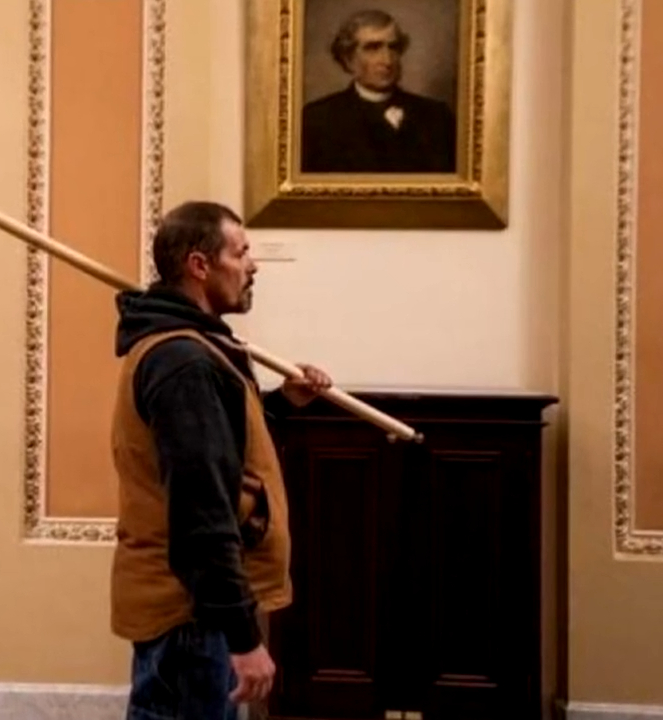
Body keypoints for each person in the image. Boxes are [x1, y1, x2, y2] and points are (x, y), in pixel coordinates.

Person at [109, 200, 332, 719]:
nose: (252, 266)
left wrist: (278, 403)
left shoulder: (193, 351)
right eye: (242, 252)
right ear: (199, 265)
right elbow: (202, 510)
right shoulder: (184, 361)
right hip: (193, 614)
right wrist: (242, 636)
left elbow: (219, 453)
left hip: (194, 610)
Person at [300, 9, 457, 174]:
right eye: (373, 48)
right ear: (348, 59)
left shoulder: (437, 116)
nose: (387, 60)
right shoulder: (317, 120)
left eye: (393, 47)